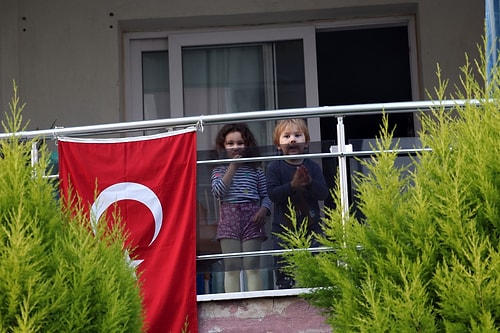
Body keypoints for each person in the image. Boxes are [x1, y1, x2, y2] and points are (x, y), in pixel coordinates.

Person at [266, 118, 329, 289]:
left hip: (311, 226)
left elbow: (324, 194)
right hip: (283, 228)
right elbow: (273, 195)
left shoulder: (313, 167)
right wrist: (292, 186)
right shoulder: (275, 167)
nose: (292, 139)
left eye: (297, 135)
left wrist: (309, 183)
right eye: (286, 136)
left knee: (316, 269)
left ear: (306, 142)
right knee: (284, 273)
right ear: (278, 145)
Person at [211, 123, 271, 292]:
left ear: (248, 145)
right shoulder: (218, 170)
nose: (235, 147)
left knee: (252, 264)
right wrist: (232, 167)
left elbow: (266, 196)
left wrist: (263, 210)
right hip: (229, 219)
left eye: (240, 143)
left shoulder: (256, 170)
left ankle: (256, 304)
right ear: (222, 146)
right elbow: (218, 192)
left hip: (252, 219)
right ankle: (233, 307)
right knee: (231, 265)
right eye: (230, 143)